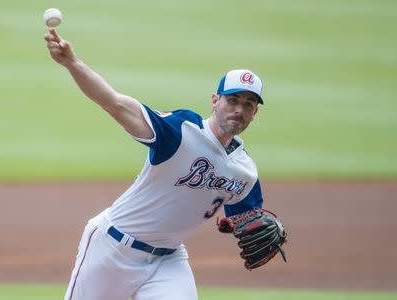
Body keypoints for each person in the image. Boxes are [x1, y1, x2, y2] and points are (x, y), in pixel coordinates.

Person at [44, 28, 265, 300]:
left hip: (168, 261)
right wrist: (72, 62)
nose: (238, 110)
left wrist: (245, 226)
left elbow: (248, 218)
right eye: (232, 100)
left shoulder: (245, 171)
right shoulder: (181, 131)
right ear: (215, 100)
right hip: (112, 248)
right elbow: (114, 103)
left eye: (248, 104)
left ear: (255, 113)